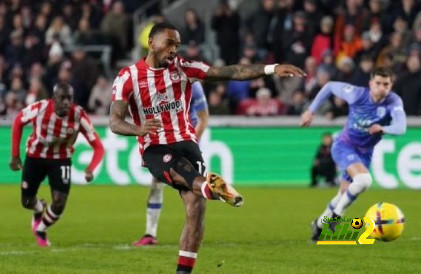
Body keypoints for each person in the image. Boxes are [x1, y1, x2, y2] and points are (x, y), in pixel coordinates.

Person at [109, 22, 305, 273]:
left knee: (196, 206)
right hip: (155, 146)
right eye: (169, 43)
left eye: (177, 45)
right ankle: (208, 185)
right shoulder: (128, 77)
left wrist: (272, 68)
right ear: (152, 43)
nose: (174, 50)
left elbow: (232, 71)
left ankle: (184, 269)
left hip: (187, 143)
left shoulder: (185, 69)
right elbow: (115, 121)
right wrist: (139, 129)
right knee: (187, 176)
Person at [300, 67, 407, 241]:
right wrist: (310, 111)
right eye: (378, 83)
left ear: (391, 85)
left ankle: (319, 225)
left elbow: (401, 127)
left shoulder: (393, 101)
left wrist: (383, 128)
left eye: (386, 84)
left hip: (365, 153)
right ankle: (336, 217)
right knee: (364, 180)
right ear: (370, 83)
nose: (382, 88)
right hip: (344, 145)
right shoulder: (357, 94)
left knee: (344, 192)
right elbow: (329, 86)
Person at [9, 82, 105, 247]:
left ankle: (41, 229)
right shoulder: (40, 108)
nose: (67, 102)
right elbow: (18, 121)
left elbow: (98, 147)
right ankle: (39, 208)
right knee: (26, 202)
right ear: (54, 98)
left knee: (59, 203)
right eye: (63, 98)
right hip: (35, 157)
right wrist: (15, 155)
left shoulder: (78, 115)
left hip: (61, 159)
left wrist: (90, 169)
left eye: (70, 98)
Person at [133, 81, 209, 246]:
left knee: (192, 194)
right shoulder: (160, 82)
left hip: (187, 141)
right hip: (167, 142)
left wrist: (193, 143)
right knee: (156, 183)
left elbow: (203, 118)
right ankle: (150, 233)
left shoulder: (193, 85)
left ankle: (193, 234)